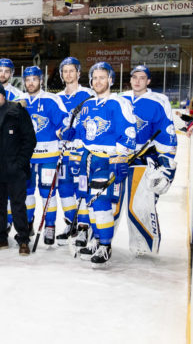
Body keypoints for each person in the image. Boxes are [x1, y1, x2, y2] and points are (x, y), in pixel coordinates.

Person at [69, 62, 136, 266]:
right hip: (88, 159)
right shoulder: (88, 105)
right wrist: (72, 138)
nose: (98, 81)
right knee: (88, 203)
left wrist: (119, 160)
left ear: (111, 80)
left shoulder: (119, 104)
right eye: (95, 78)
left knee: (100, 204)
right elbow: (81, 135)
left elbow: (129, 136)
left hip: (106, 160)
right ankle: (96, 240)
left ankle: (105, 246)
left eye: (102, 77)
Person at [117, 65, 177, 255]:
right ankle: (102, 239)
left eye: (142, 78)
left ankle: (142, 244)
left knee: (141, 203)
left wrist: (166, 163)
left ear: (148, 81)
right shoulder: (120, 99)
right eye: (134, 77)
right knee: (111, 201)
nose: (137, 81)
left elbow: (166, 133)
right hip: (119, 157)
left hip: (144, 159)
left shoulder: (159, 101)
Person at [0, 79, 36, 256]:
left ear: (4, 96)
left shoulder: (17, 111)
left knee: (18, 205)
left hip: (15, 170)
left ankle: (23, 239)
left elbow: (30, 140)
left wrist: (20, 163)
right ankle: (1, 238)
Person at [19, 66, 68, 245]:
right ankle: (28, 222)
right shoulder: (19, 101)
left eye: (34, 79)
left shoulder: (51, 99)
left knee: (48, 192)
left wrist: (64, 131)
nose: (31, 83)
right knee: (27, 191)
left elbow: (64, 121)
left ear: (41, 80)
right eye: (28, 79)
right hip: (26, 157)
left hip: (49, 154)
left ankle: (49, 226)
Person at [54, 57, 95, 245]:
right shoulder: (57, 98)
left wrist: (78, 132)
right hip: (63, 152)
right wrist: (61, 132)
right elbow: (54, 124)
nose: (68, 74)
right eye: (65, 71)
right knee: (64, 190)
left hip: (81, 152)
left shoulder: (89, 95)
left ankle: (84, 228)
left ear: (79, 73)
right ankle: (71, 222)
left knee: (82, 190)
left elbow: (95, 123)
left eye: (72, 71)